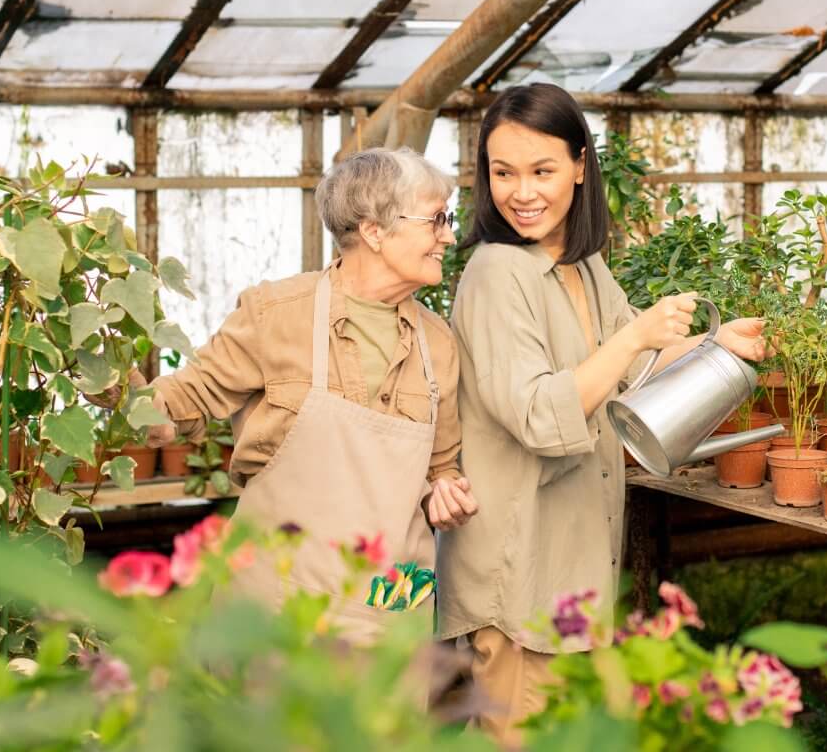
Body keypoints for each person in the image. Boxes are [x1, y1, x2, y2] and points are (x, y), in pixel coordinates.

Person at [437, 83, 768, 743]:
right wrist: (634, 336)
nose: (521, 191)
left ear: (581, 166)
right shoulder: (496, 273)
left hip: (570, 564)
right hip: (518, 572)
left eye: (542, 170)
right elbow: (539, 412)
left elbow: (633, 374)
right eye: (503, 173)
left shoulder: (582, 266)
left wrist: (716, 343)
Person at [140, 147, 479, 644]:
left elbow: (441, 469)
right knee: (286, 719)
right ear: (374, 230)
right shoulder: (275, 314)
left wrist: (447, 492)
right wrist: (118, 389)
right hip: (281, 607)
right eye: (436, 220)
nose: (449, 235)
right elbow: (176, 406)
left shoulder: (438, 343)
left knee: (387, 721)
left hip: (393, 603)